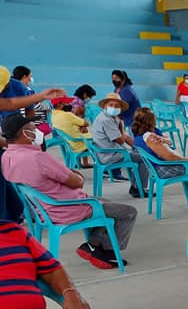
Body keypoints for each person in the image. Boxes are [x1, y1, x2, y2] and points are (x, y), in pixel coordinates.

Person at [2, 114, 138, 269]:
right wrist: (73, 173)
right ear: (25, 133)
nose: (38, 132)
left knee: (104, 203)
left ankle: (94, 244)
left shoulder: (6, 156)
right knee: (128, 212)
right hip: (67, 209)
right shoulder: (38, 157)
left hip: (42, 211)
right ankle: (106, 251)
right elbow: (77, 183)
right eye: (34, 129)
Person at [131, 107, 188, 198]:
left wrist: (165, 141)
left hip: (159, 168)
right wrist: (187, 160)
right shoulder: (150, 137)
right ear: (150, 121)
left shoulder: (139, 136)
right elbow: (168, 157)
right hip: (165, 168)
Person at [89, 92, 149, 198]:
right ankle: (139, 189)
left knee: (139, 152)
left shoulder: (111, 117)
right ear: (105, 105)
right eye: (111, 105)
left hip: (109, 152)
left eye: (117, 106)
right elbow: (120, 140)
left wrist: (137, 146)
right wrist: (121, 129)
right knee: (145, 158)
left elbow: (124, 136)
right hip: (110, 155)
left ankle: (136, 186)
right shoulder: (106, 120)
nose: (114, 107)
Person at [0, 65, 64, 121]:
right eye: (30, 77)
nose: (30, 79)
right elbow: (10, 103)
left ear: (8, 82)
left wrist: (29, 123)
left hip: (12, 123)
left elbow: (11, 103)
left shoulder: (18, 86)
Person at [50, 97, 93, 167]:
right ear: (59, 105)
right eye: (66, 103)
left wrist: (82, 126)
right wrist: (83, 126)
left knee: (84, 133)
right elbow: (86, 123)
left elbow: (79, 124)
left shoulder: (53, 115)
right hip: (77, 143)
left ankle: (81, 163)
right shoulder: (68, 115)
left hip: (68, 143)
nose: (69, 104)